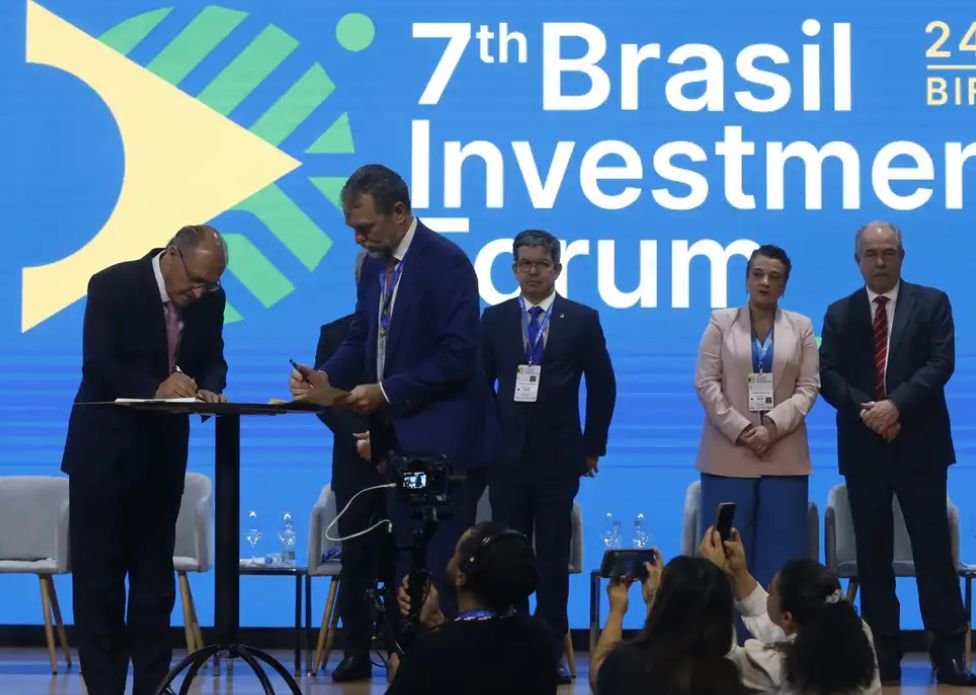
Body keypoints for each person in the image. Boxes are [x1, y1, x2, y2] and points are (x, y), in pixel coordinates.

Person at [289, 164, 490, 610]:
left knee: (440, 569)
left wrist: (385, 391)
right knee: (405, 567)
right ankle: (409, 652)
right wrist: (326, 377)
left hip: (445, 443)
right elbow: (362, 336)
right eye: (352, 228)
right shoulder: (373, 267)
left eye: (365, 227)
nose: (358, 238)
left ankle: (444, 652)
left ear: (399, 212)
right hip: (398, 443)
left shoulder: (447, 262)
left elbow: (458, 355)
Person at [61, 225, 228, 695]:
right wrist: (155, 388)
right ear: (172, 255)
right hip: (104, 455)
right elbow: (99, 365)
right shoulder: (113, 285)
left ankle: (154, 684)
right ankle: (104, 686)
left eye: (210, 284)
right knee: (100, 582)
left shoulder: (212, 298)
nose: (200, 292)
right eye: (195, 281)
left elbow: (214, 357)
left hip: (162, 457)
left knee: (155, 582)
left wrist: (209, 387)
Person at [819, 221, 974, 686]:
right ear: (857, 261)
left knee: (933, 554)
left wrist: (895, 406)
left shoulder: (932, 302)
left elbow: (940, 364)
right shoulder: (839, 313)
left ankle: (948, 654)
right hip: (864, 448)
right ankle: (882, 654)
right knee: (872, 557)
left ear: (902, 256)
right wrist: (867, 411)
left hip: (920, 446)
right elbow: (828, 374)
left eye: (888, 252)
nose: (880, 261)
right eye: (871, 253)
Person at [480, 229, 616, 682]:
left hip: (559, 457)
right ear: (514, 269)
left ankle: (548, 649)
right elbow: (479, 386)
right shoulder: (495, 319)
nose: (532, 272)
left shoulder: (581, 319)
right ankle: (510, 645)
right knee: (507, 555)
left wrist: (592, 446)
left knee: (553, 558)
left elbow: (603, 385)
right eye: (525, 264)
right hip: (506, 459)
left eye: (541, 264)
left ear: (557, 269)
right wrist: (486, 441)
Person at [694, 244, 819, 590]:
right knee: (723, 562)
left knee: (780, 563)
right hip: (727, 455)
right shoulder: (721, 322)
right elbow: (705, 382)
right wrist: (744, 429)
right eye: (758, 274)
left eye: (774, 277)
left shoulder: (802, 327)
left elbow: (809, 387)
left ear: (785, 285)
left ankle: (775, 628)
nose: (765, 282)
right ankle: (724, 628)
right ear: (747, 279)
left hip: (784, 457)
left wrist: (772, 428)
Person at [312, 249, 389, 681]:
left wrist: (386, 441)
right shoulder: (335, 332)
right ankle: (355, 653)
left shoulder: (417, 333)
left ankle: (403, 650)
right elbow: (323, 400)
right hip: (355, 465)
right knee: (356, 564)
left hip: (403, 462)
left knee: (406, 559)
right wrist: (362, 438)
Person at [700, 526, 881, 694]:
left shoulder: (777, 665)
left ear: (787, 617)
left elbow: (727, 658)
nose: (767, 590)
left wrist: (711, 577)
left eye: (771, 592)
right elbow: (777, 626)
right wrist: (739, 574)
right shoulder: (860, 632)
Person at [386, 521, 556, 695]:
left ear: (461, 576)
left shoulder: (430, 653)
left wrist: (401, 675)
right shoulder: (540, 639)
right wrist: (438, 623)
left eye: (454, 553)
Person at [591, 554, 746, 695]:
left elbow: (599, 674)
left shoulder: (628, 664)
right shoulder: (726, 677)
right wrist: (654, 597)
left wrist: (617, 610)